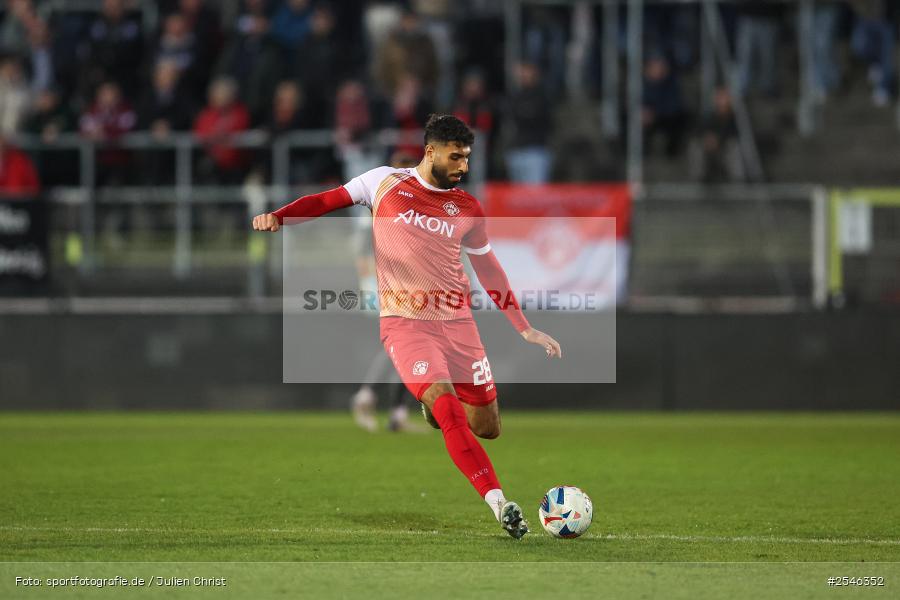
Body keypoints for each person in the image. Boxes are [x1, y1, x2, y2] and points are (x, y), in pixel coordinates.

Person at [252, 114, 561, 538]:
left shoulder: (467, 208)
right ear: (430, 151)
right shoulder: (383, 182)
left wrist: (523, 327)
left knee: (488, 427)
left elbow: (489, 269)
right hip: (405, 323)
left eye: (467, 158)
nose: (463, 167)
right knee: (449, 410)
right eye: (456, 157)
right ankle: (499, 503)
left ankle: (432, 408)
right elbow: (327, 201)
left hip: (458, 325)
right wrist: (280, 216)